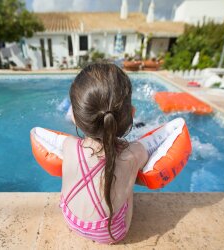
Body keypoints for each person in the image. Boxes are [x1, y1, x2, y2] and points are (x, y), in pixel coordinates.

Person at [59, 63, 163, 244]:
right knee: (129, 178)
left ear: (74, 118)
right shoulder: (134, 152)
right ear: (132, 113)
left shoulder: (68, 145)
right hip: (110, 233)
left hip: (70, 218)